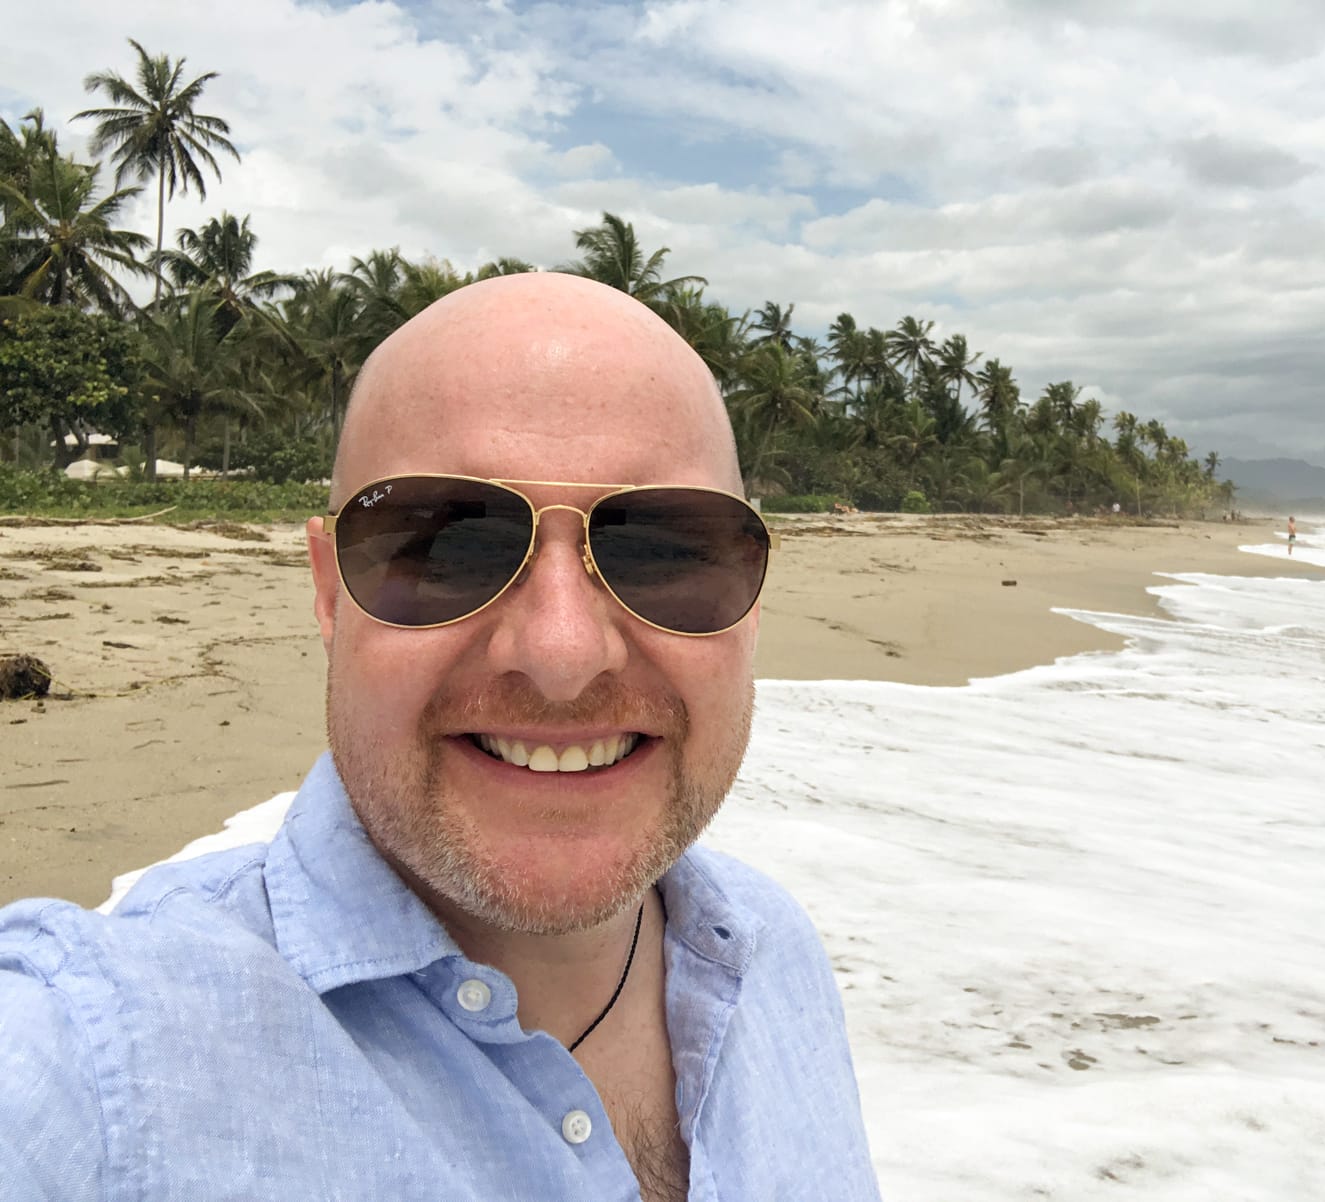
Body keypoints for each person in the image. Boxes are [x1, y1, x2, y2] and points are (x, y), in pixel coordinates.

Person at [0, 274, 881, 1200]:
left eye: (660, 550)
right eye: (449, 546)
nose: (562, 654)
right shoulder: (95, 1065)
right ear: (331, 591)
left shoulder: (771, 955)